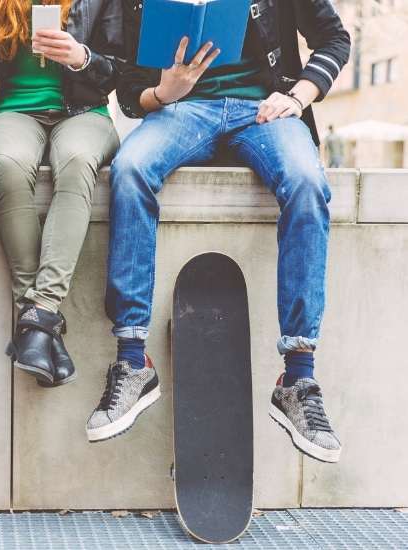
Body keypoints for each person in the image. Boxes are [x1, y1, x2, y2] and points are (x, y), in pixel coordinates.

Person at [86, 0, 350, 465]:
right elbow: (131, 95)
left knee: (308, 184)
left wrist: (297, 96)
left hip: (266, 113)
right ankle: (132, 360)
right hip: (183, 112)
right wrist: (166, 91)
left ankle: (298, 376)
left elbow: (335, 38)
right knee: (129, 170)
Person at [0, 0, 121, 387]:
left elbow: (120, 71)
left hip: (84, 112)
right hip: (11, 110)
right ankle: (40, 322)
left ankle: (39, 311)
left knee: (76, 161)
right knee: (7, 163)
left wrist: (81, 58)